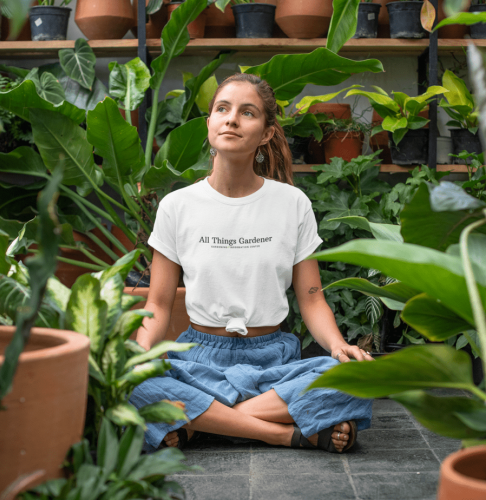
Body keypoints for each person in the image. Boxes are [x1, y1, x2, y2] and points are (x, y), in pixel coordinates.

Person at [130, 73, 373, 453]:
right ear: (209, 123)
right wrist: (140, 353)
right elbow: (158, 303)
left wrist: (339, 346)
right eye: (222, 109)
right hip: (198, 359)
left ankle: (202, 424)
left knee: (355, 376)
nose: (231, 119)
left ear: (265, 134)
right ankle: (282, 432)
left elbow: (310, 298)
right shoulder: (177, 207)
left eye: (247, 112)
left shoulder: (292, 204)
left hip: (272, 359)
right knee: (136, 383)